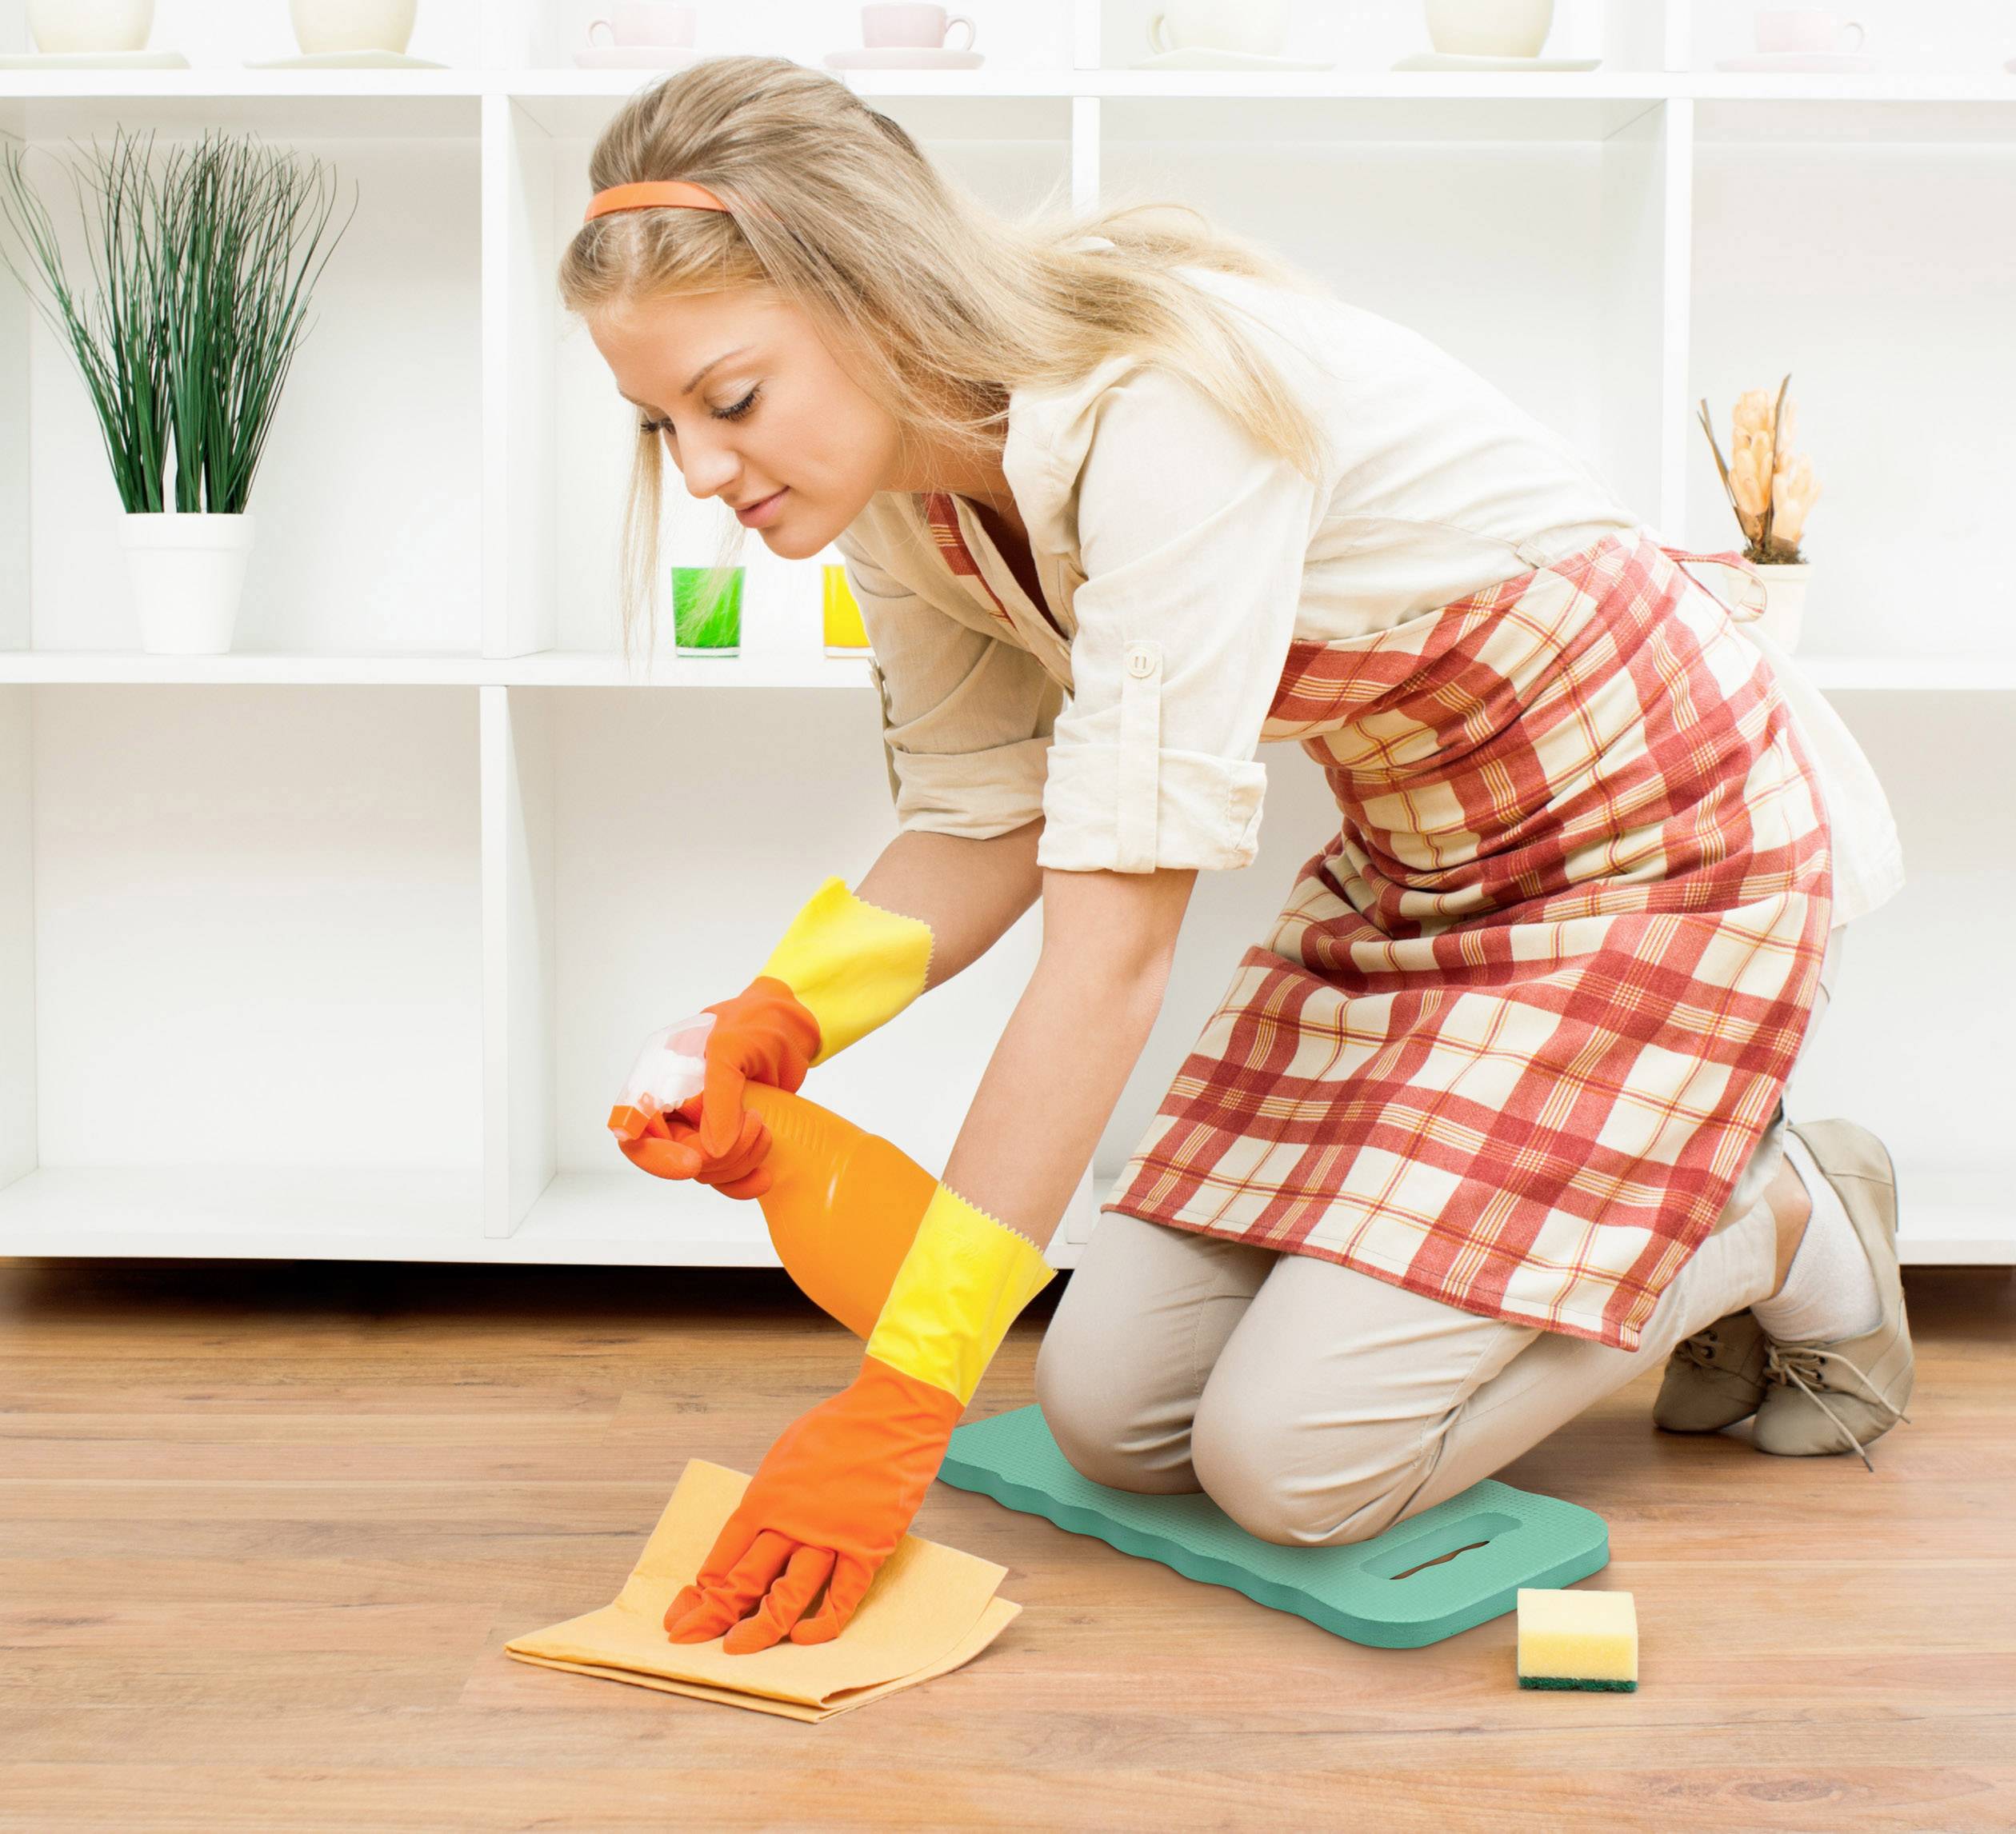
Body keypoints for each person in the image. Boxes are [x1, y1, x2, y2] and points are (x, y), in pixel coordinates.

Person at [569, 56, 1912, 1657]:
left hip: (1657, 849)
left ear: (876, 292)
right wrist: (777, 1018)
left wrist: (904, 1395)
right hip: (1422, 873)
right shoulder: (899, 499)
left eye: (731, 399)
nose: (709, 473)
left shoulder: (1161, 418)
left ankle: (1765, 1215)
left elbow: (1110, 954)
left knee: (1295, 1466)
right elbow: (980, 819)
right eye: (664, 425)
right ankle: (1634, 1221)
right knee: (1108, 1411)